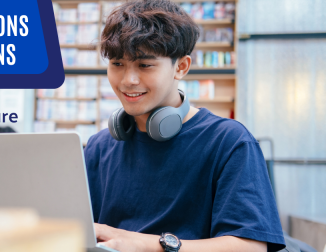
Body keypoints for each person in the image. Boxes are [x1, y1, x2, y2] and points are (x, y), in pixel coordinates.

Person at [83, 1, 286, 251]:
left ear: (181, 67)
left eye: (144, 65)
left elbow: (251, 247)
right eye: (117, 64)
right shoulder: (98, 147)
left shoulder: (229, 142)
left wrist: (151, 245)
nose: (128, 80)